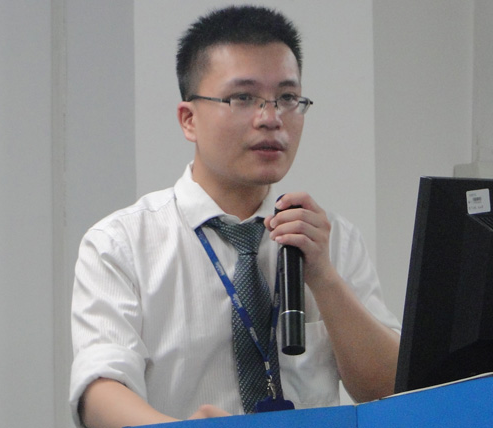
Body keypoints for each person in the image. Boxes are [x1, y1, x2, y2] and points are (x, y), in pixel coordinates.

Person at [69, 5, 401, 428]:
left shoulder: (332, 240)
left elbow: (391, 391)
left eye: (287, 98)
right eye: (243, 98)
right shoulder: (120, 243)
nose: (271, 119)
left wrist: (324, 277)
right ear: (189, 119)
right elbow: (100, 389)